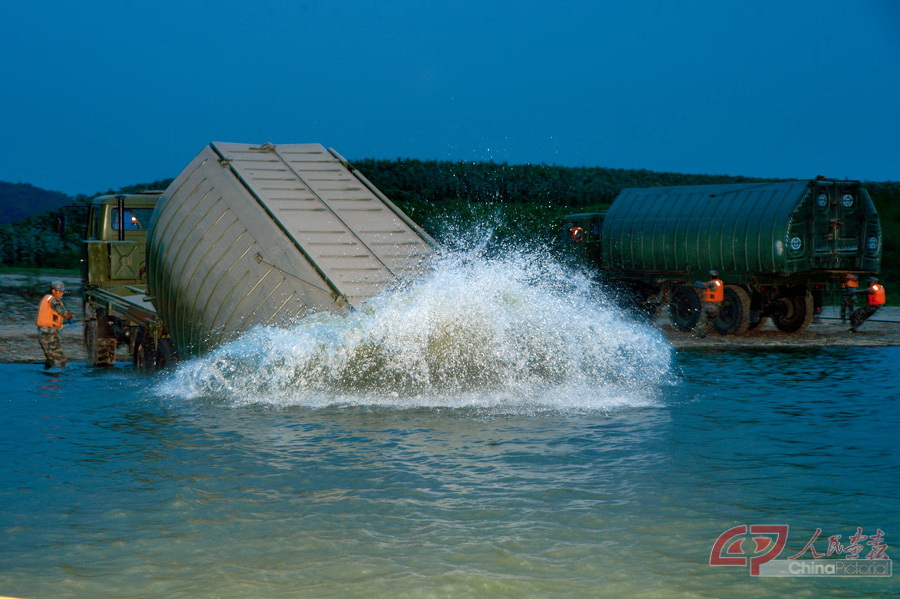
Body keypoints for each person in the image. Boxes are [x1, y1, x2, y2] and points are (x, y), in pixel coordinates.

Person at [36, 280, 73, 368]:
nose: (61, 293)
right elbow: (62, 311)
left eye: (63, 291)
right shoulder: (54, 301)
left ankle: (49, 376)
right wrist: (70, 317)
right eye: (59, 291)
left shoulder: (47, 298)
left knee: (51, 358)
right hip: (49, 333)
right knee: (60, 359)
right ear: (53, 290)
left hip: (44, 332)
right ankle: (60, 377)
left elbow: (52, 316)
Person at [694, 270, 724, 338]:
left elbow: (702, 285)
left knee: (702, 320)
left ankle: (700, 334)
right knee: (710, 321)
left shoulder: (711, 283)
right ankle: (705, 333)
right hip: (718, 306)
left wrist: (696, 283)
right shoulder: (720, 282)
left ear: (710, 277)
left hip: (710, 305)